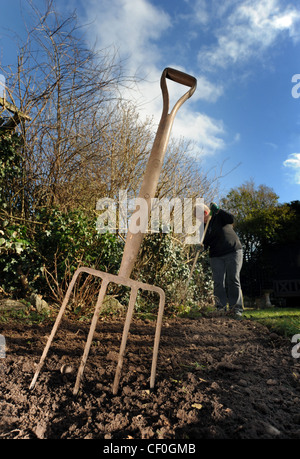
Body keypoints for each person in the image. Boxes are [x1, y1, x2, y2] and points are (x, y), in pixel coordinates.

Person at [198, 202, 244, 317]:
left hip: (232, 251)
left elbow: (231, 219)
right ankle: (220, 308)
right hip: (216, 256)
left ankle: (236, 309)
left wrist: (219, 210)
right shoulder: (202, 227)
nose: (198, 220)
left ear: (205, 212)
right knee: (218, 282)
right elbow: (204, 243)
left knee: (233, 279)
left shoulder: (219, 216)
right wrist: (200, 246)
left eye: (199, 217)